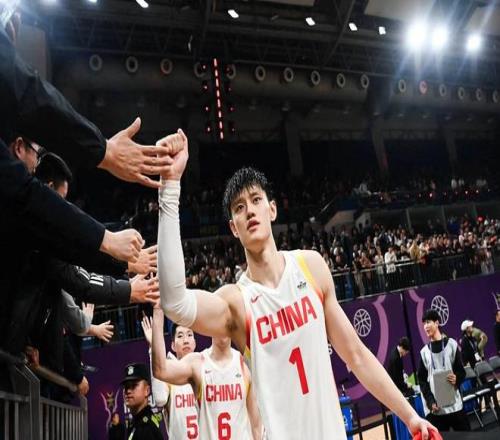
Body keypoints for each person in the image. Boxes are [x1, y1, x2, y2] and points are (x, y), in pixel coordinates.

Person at [156, 132, 435, 439]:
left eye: (256, 200)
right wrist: (170, 186)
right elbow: (174, 303)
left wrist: (410, 416)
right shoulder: (236, 302)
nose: (249, 210)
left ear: (272, 209)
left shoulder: (310, 266)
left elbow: (356, 355)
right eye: (239, 207)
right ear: (234, 228)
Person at [151, 304, 262, 440]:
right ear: (210, 327)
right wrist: (158, 310)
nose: (223, 327)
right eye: (218, 322)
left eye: (227, 322)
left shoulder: (244, 364)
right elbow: (160, 370)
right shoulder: (197, 363)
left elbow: (256, 426)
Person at [141, 315, 199, 439]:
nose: (186, 340)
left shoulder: (205, 370)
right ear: (172, 345)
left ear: (194, 342)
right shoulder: (168, 373)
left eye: (189, 335)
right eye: (180, 336)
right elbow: (160, 399)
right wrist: (153, 348)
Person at [417, 309, 470, 432]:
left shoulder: (452, 345)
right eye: (424, 323)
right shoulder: (424, 353)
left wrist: (457, 378)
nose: (425, 326)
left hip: (455, 406)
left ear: (437, 323)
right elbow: (422, 381)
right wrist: (430, 402)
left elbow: (461, 371)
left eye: (428, 322)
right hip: (437, 411)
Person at [121, 363, 163, 440]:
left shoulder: (146, 428)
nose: (128, 391)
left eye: (134, 385)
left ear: (147, 390)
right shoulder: (136, 422)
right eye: (126, 387)